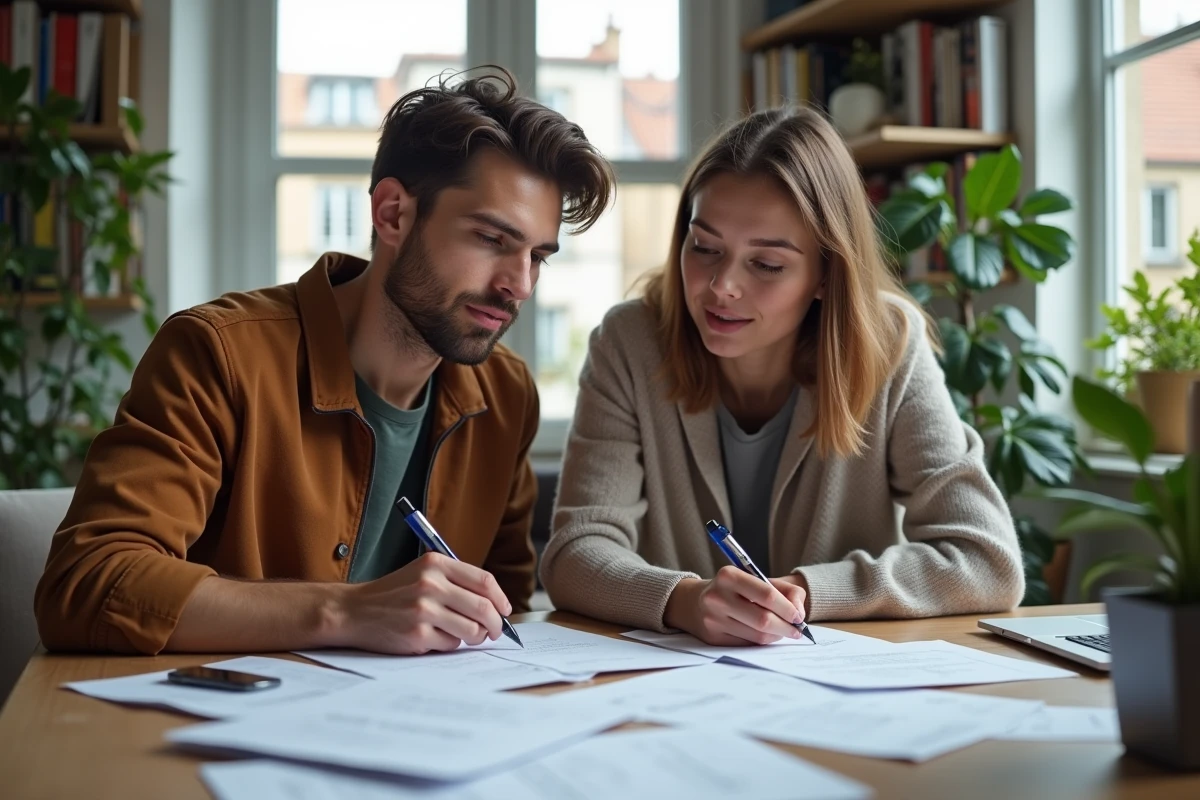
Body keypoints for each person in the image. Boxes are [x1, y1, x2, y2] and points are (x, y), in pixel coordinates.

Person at [34, 70, 614, 656]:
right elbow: (88, 584)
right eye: (492, 239)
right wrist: (348, 611)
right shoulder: (218, 354)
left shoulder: (507, 394)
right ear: (392, 214)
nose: (519, 284)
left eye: (538, 256)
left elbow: (501, 610)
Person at [539, 106, 1023, 646]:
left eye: (766, 265)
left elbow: (986, 560)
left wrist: (805, 593)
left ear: (825, 273)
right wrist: (683, 600)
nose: (722, 286)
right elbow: (575, 554)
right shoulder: (629, 342)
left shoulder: (890, 344)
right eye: (704, 247)